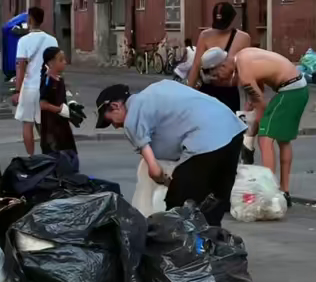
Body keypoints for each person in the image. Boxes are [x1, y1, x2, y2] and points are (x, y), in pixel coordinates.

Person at [95, 79, 245, 226]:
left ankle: (177, 246)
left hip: (205, 141)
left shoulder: (132, 117)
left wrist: (166, 180)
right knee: (214, 200)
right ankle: (211, 243)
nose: (115, 126)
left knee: (177, 203)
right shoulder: (160, 88)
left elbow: (154, 170)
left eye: (110, 121)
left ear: (115, 106)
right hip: (233, 130)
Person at [231, 47, 309, 205]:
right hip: (298, 87)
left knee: (265, 138)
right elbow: (258, 95)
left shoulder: (244, 74)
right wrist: (252, 104)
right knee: (283, 140)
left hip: (289, 90)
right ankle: (284, 191)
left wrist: (249, 138)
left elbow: (262, 107)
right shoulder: (244, 59)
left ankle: (269, 191)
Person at [187, 1, 250, 111]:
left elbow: (247, 70)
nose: (220, 30)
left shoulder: (243, 38)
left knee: (228, 126)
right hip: (207, 91)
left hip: (229, 93)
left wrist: (251, 99)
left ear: (232, 19)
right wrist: (186, 94)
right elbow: (196, 66)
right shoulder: (205, 35)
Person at [14, 6, 57, 156]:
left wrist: (17, 90)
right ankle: (49, 157)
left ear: (30, 20)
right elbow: (57, 67)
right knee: (45, 125)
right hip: (46, 88)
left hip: (29, 89)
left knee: (27, 125)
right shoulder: (52, 40)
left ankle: (32, 159)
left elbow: (21, 67)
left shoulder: (23, 41)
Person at [38, 46, 81, 170]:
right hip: (51, 125)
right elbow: (42, 103)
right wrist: (59, 110)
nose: (65, 62)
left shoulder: (59, 79)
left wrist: (71, 107)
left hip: (62, 123)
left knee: (71, 155)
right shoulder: (47, 80)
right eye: (61, 60)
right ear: (51, 63)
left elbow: (61, 99)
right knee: (55, 157)